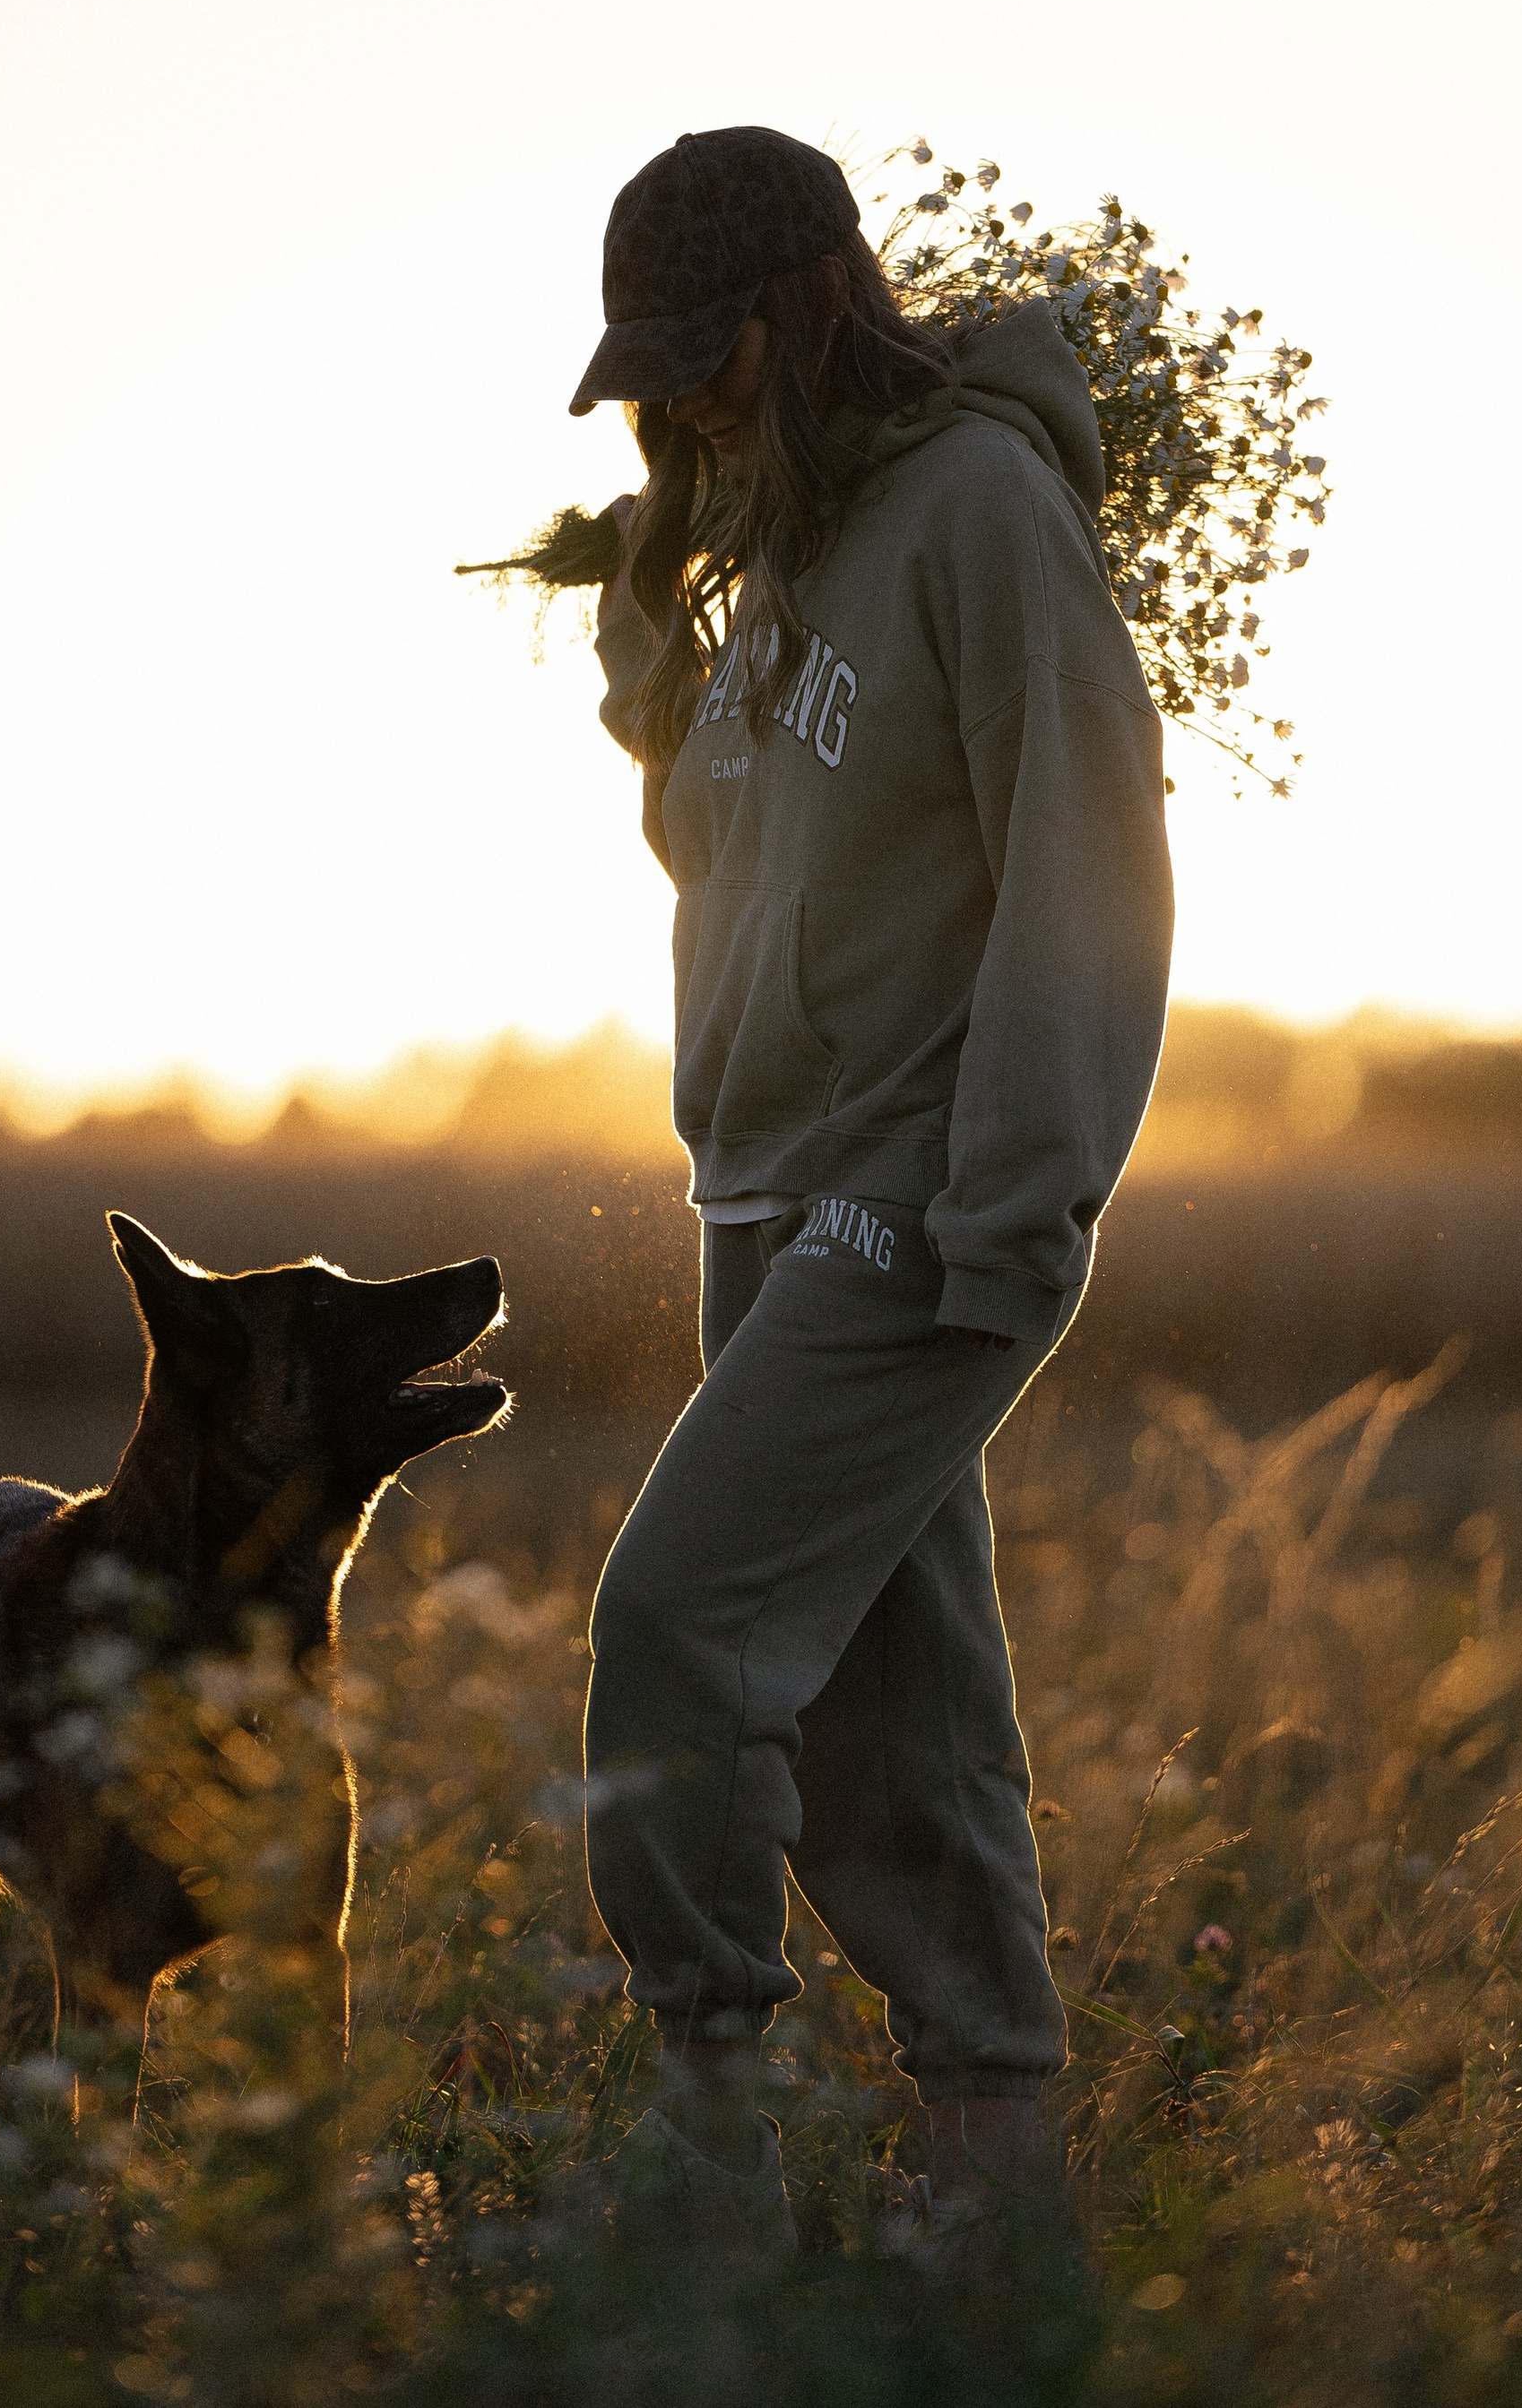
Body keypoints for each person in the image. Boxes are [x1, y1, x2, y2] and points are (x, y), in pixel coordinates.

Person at [571, 125, 1173, 2242]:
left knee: (675, 1626)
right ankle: (1003, 2197)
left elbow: (1084, 855)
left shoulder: (981, 512)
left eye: (701, 353)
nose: (682, 397)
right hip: (760, 1196)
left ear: (810, 298)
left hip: (907, 1204)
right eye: (647, 372)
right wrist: (654, 587)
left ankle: (702, 2142)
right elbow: (732, 855)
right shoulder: (779, 540)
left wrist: (1007, 1206)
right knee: (892, 1731)